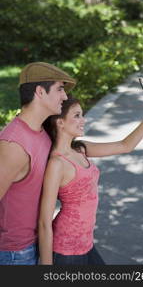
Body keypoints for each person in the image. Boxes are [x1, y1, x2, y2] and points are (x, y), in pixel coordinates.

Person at [38, 93, 143, 265]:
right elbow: (44, 222)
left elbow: (124, 146)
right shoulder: (57, 163)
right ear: (60, 122)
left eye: (82, 115)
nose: (83, 120)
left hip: (86, 243)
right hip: (66, 248)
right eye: (77, 115)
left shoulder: (80, 149)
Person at [0, 62, 76, 265]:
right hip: (14, 254)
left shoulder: (41, 132)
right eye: (60, 89)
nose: (65, 96)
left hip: (34, 245)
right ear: (40, 91)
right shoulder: (14, 144)